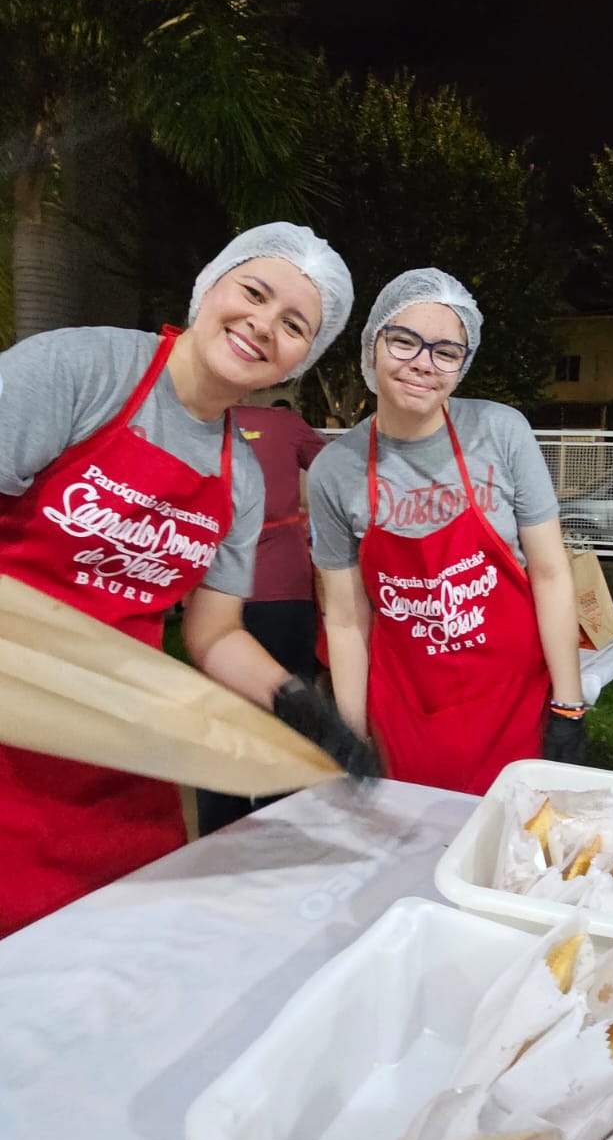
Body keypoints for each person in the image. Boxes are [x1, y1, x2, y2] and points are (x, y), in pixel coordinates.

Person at [0, 222, 376, 936]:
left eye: (294, 324)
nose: (263, 325)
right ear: (211, 285)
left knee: (121, 946)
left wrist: (297, 702)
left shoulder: (240, 478)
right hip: (11, 714)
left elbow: (214, 632)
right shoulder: (83, 370)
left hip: (115, 753)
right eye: (254, 293)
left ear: (302, 357)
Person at [307, 267, 588, 796]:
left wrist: (568, 707)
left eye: (446, 351)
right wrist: (352, 733)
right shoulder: (335, 470)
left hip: (514, 703)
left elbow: (551, 574)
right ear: (372, 345)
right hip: (404, 713)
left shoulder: (502, 432)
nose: (423, 363)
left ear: (463, 364)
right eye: (404, 340)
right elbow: (345, 619)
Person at [196, 396, 325, 833]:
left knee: (220, 718)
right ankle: (284, 826)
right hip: (282, 590)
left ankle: (220, 835)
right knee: (287, 711)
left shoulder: (198, 421)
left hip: (210, 589)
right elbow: (333, 471)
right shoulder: (285, 423)